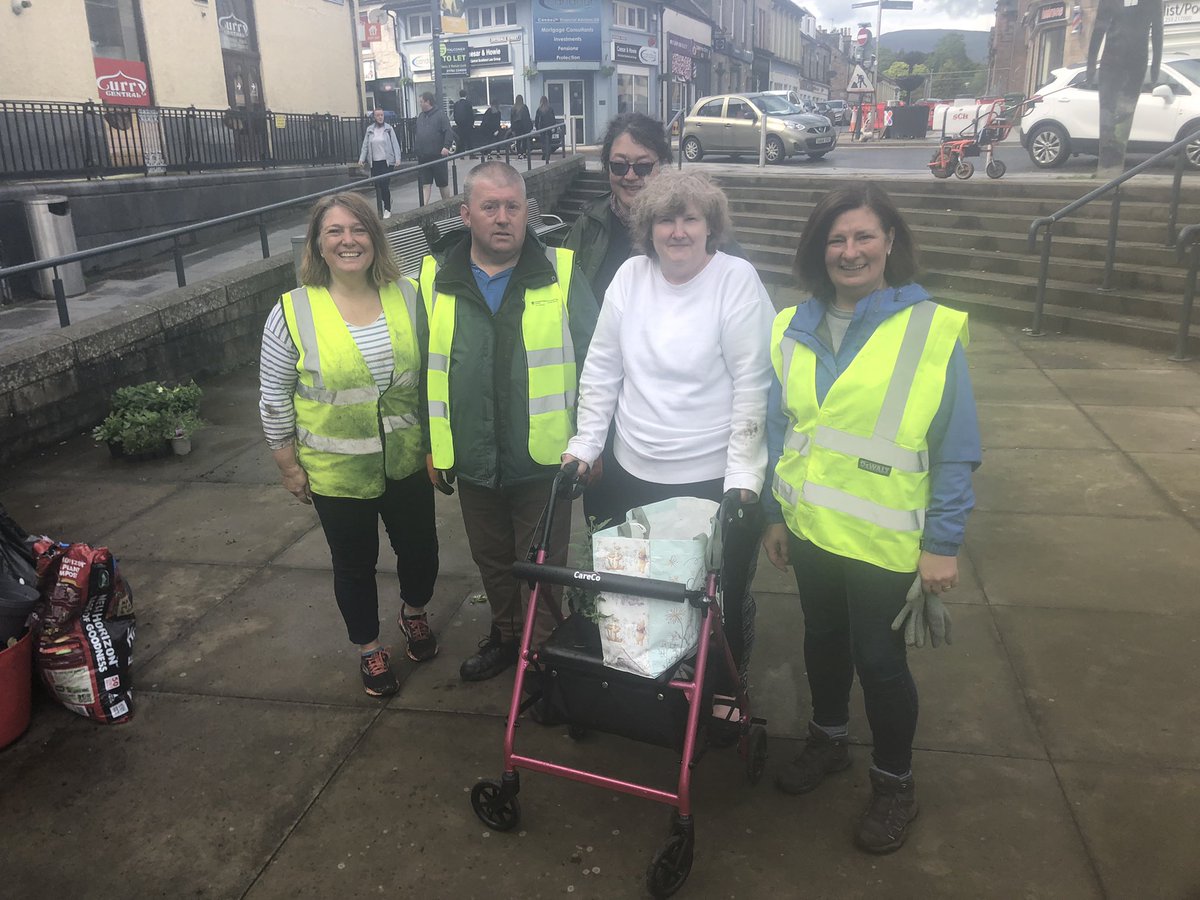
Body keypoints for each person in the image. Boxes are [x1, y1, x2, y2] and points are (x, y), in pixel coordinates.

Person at [762, 182, 981, 853]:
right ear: (817, 249)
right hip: (811, 532)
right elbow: (783, 427)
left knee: (880, 661)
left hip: (887, 539)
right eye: (836, 239)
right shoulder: (789, 327)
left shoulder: (932, 330)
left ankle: (895, 784)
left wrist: (943, 543)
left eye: (863, 236)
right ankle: (829, 741)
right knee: (822, 640)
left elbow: (956, 448)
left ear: (890, 242)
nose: (849, 251)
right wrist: (777, 514)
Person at [560, 169, 774, 711]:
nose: (677, 231)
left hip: (709, 476)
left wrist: (745, 474)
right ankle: (641, 690)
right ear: (648, 227)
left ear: (710, 227)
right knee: (637, 593)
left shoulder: (736, 280)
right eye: (664, 219)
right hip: (633, 467)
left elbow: (754, 383)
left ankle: (724, 693)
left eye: (690, 219)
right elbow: (603, 367)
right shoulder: (631, 277)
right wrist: (586, 444)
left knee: (714, 598)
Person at [416, 162, 599, 684]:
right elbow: (424, 369)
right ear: (465, 213)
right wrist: (434, 444)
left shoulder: (560, 271)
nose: (502, 219)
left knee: (541, 566)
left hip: (543, 460)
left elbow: (596, 362)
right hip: (471, 457)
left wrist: (590, 444)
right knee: (492, 561)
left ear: (527, 213)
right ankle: (505, 636)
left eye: (513, 207)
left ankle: (540, 662)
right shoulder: (435, 278)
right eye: (490, 207)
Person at [259, 191, 440, 698]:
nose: (348, 240)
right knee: (354, 565)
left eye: (358, 229)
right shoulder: (292, 310)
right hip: (336, 472)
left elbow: (434, 376)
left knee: (421, 552)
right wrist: (287, 465)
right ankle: (369, 646)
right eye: (334, 232)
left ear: (374, 238)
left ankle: (414, 612)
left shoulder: (408, 294)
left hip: (407, 461)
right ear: (317, 244)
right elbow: (274, 396)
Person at [358, 109, 403, 218]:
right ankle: (384, 202)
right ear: (374, 117)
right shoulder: (370, 130)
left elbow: (395, 144)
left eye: (381, 115)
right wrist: (362, 159)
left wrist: (398, 158)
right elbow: (365, 146)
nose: (380, 117)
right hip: (375, 162)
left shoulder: (388, 129)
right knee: (378, 185)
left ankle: (387, 208)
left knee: (384, 184)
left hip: (387, 162)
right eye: (378, 115)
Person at [414, 92, 455, 205]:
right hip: (423, 156)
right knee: (425, 184)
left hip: (438, 155)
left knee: (442, 183)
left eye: (421, 101)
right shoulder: (421, 116)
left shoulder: (440, 115)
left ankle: (447, 205)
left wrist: (446, 146)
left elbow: (448, 131)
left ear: (428, 102)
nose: (420, 104)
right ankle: (423, 208)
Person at [533, 96, 557, 162]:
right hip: (549, 128)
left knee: (543, 142)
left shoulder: (539, 110)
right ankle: (548, 154)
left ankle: (544, 153)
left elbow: (537, 120)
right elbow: (553, 119)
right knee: (549, 141)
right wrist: (554, 127)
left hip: (542, 128)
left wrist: (537, 128)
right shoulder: (550, 109)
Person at [452, 89, 474, 156]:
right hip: (467, 125)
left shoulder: (456, 104)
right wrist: (472, 123)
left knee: (461, 140)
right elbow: (471, 115)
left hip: (459, 125)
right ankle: (471, 154)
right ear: (466, 95)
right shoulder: (468, 103)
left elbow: (454, 115)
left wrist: (457, 122)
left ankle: (462, 154)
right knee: (469, 140)